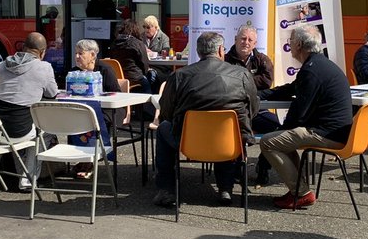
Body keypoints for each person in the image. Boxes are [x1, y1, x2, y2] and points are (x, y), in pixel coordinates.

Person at [152, 32, 258, 208]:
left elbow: (166, 112)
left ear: (198, 52)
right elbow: (252, 110)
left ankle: (166, 190)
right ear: (220, 50)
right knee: (231, 129)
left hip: (188, 144)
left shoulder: (179, 76)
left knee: (163, 127)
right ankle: (225, 188)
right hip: (229, 144)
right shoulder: (242, 75)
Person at [258, 25, 354, 210]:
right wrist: (260, 95)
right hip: (335, 131)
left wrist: (280, 130)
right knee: (281, 139)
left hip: (327, 134)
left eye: (291, 41)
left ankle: (301, 193)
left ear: (299, 44)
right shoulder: (317, 64)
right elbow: (291, 89)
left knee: (269, 142)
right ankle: (297, 190)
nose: (289, 45)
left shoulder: (312, 70)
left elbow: (298, 114)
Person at [0, 32, 58, 189]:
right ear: (42, 52)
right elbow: (52, 94)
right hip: (19, 131)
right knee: (44, 132)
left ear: (23, 47)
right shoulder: (44, 67)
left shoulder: (1, 65)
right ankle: (27, 180)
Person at [227, 22, 279, 184]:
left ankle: (263, 167)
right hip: (234, 112)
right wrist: (249, 79)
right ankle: (236, 168)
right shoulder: (225, 60)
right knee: (237, 131)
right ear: (235, 40)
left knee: (277, 129)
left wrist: (241, 79)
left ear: (255, 43)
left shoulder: (262, 60)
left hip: (257, 111)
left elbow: (267, 81)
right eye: (243, 38)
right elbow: (224, 82)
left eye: (250, 40)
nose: (246, 42)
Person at [107, 19, 152, 93]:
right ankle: (149, 103)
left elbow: (112, 59)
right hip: (135, 78)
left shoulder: (113, 44)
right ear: (136, 29)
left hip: (119, 78)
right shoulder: (137, 43)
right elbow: (144, 63)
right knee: (149, 82)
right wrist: (145, 73)